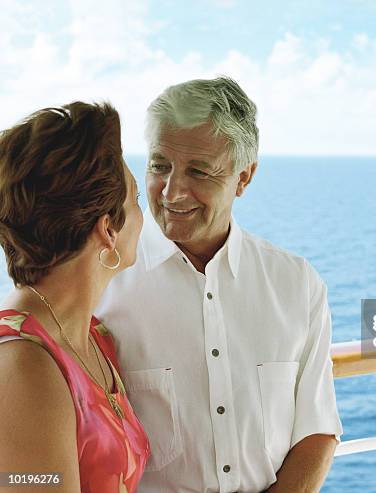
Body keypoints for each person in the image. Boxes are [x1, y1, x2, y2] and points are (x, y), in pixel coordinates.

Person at [95, 77, 343, 493]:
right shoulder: (103, 287)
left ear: (243, 178)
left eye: (198, 171)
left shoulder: (297, 284)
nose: (172, 191)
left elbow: (316, 428)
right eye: (159, 166)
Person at [0, 102, 150, 492]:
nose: (143, 216)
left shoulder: (93, 336)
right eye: (136, 201)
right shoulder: (23, 366)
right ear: (108, 232)